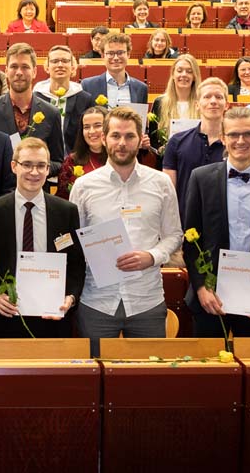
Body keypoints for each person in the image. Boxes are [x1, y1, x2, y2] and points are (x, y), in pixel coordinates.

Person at [71, 107, 183, 350]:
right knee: (94, 377)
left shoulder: (161, 183)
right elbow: (74, 239)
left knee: (147, 380)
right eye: (115, 136)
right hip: (96, 301)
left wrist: (151, 256)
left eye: (130, 136)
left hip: (146, 300)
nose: (122, 143)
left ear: (140, 138)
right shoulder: (83, 186)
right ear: (104, 138)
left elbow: (174, 234)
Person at [183, 106, 250, 338]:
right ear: (223, 138)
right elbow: (190, 243)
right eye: (233, 134)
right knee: (210, 368)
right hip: (211, 298)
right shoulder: (200, 178)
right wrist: (202, 288)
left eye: (248, 134)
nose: (240, 140)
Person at [0, 137, 85, 338]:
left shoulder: (66, 211)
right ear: (14, 166)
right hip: (7, 315)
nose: (34, 172)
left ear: (48, 169)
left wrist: (70, 297)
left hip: (53, 316)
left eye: (40, 166)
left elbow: (76, 264)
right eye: (27, 165)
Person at [0, 43, 66, 175]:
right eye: (14, 67)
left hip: (37, 189)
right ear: (6, 71)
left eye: (25, 67)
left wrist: (34, 169)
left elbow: (57, 162)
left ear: (34, 72)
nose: (19, 72)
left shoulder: (52, 113)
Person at [163, 78, 227, 214]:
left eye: (219, 97)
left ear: (226, 105)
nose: (213, 101)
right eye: (207, 97)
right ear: (197, 104)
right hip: (185, 220)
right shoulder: (176, 141)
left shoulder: (236, 144)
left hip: (224, 222)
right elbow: (169, 191)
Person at [33, 45, 97, 150]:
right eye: (55, 61)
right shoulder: (36, 97)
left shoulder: (84, 99)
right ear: (47, 68)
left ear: (72, 67)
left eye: (65, 61)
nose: (60, 65)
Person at [149, 54, 203, 153]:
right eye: (179, 70)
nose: (184, 74)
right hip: (166, 163)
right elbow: (152, 139)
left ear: (194, 77)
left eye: (189, 71)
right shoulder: (159, 102)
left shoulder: (202, 103)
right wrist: (160, 149)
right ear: (173, 75)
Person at [81, 32, 149, 108]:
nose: (116, 58)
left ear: (128, 54)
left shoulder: (141, 88)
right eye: (110, 53)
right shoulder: (88, 86)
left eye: (120, 53)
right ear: (103, 56)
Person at [56, 105, 107, 201]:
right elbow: (62, 199)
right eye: (86, 127)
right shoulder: (71, 161)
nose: (91, 131)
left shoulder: (119, 159)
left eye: (98, 125)